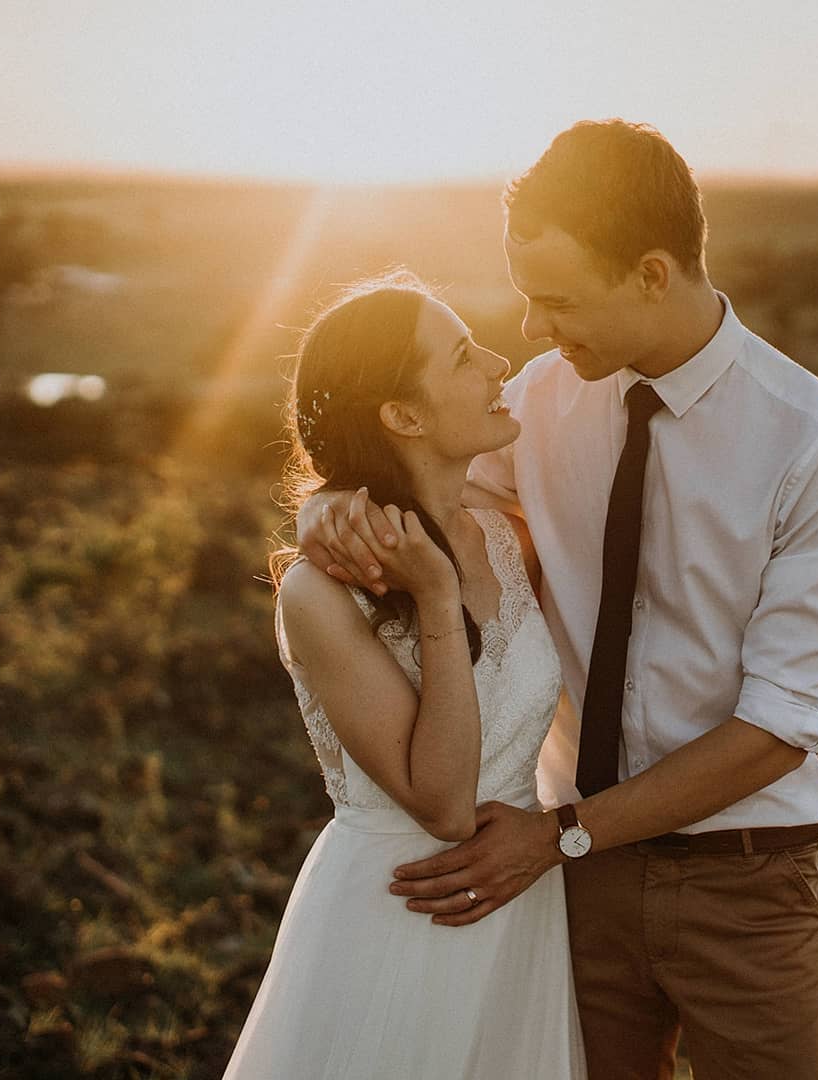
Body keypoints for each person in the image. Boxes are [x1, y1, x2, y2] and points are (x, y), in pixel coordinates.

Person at [299, 120, 818, 1079]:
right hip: (562, 890)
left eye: (557, 301)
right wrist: (329, 505)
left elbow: (783, 722)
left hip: (744, 879)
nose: (530, 331)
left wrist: (561, 835)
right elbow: (408, 476)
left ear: (653, 274)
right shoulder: (540, 402)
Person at [224, 272, 586, 1079]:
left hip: (518, 912)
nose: (497, 364)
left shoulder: (509, 541)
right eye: (463, 356)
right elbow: (445, 802)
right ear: (403, 416)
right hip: (400, 913)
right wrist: (433, 595)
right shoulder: (319, 594)